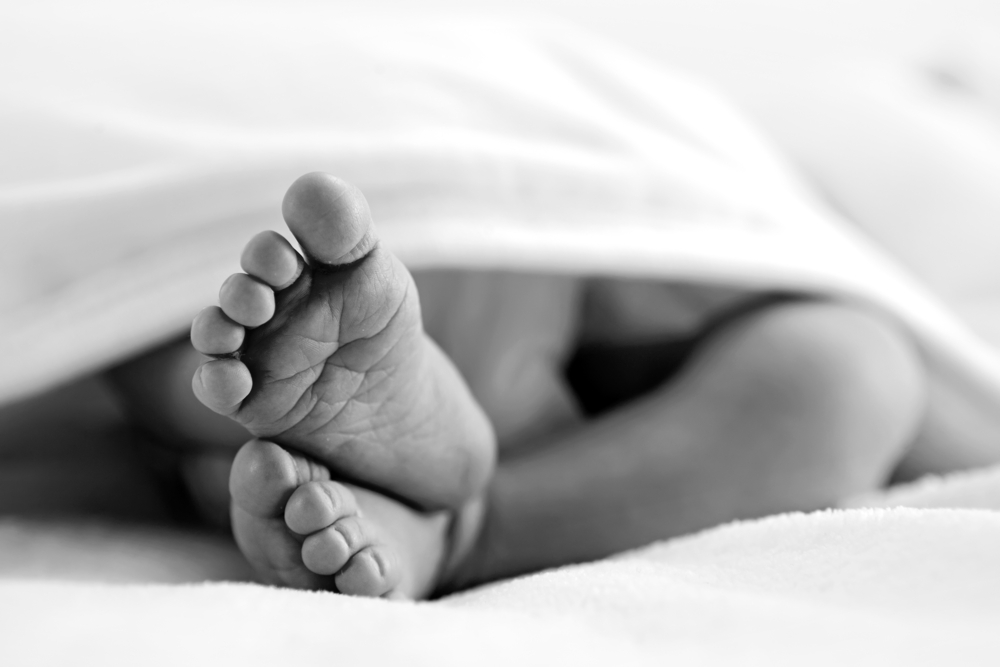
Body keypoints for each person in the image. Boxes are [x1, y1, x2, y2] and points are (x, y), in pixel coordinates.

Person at [113, 171, 929, 599]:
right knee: (860, 366)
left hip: (473, 252)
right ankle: (467, 519)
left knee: (848, 369)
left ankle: (437, 493)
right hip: (560, 255)